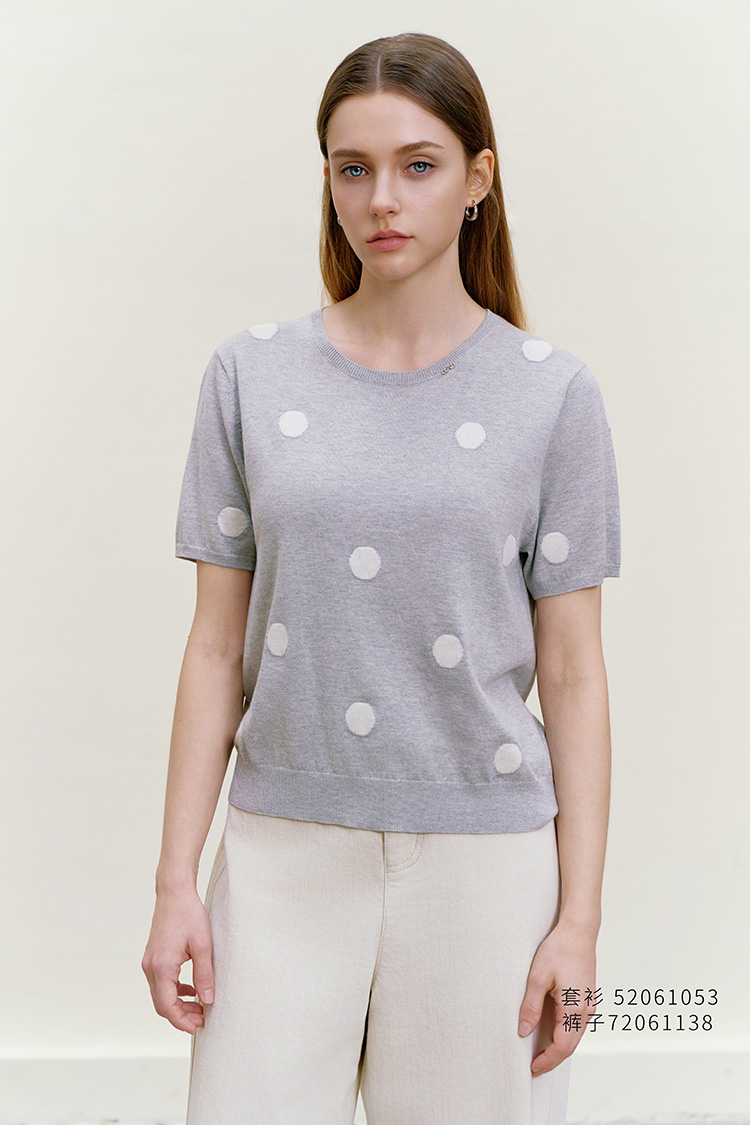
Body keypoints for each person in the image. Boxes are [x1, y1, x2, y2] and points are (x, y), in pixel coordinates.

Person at [141, 30, 622, 1125]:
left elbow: (575, 675)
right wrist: (176, 882)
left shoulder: (552, 395)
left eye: (419, 164)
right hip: (279, 851)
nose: (382, 199)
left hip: (486, 864)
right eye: (352, 168)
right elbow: (214, 648)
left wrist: (578, 919)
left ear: (478, 179)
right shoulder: (249, 374)